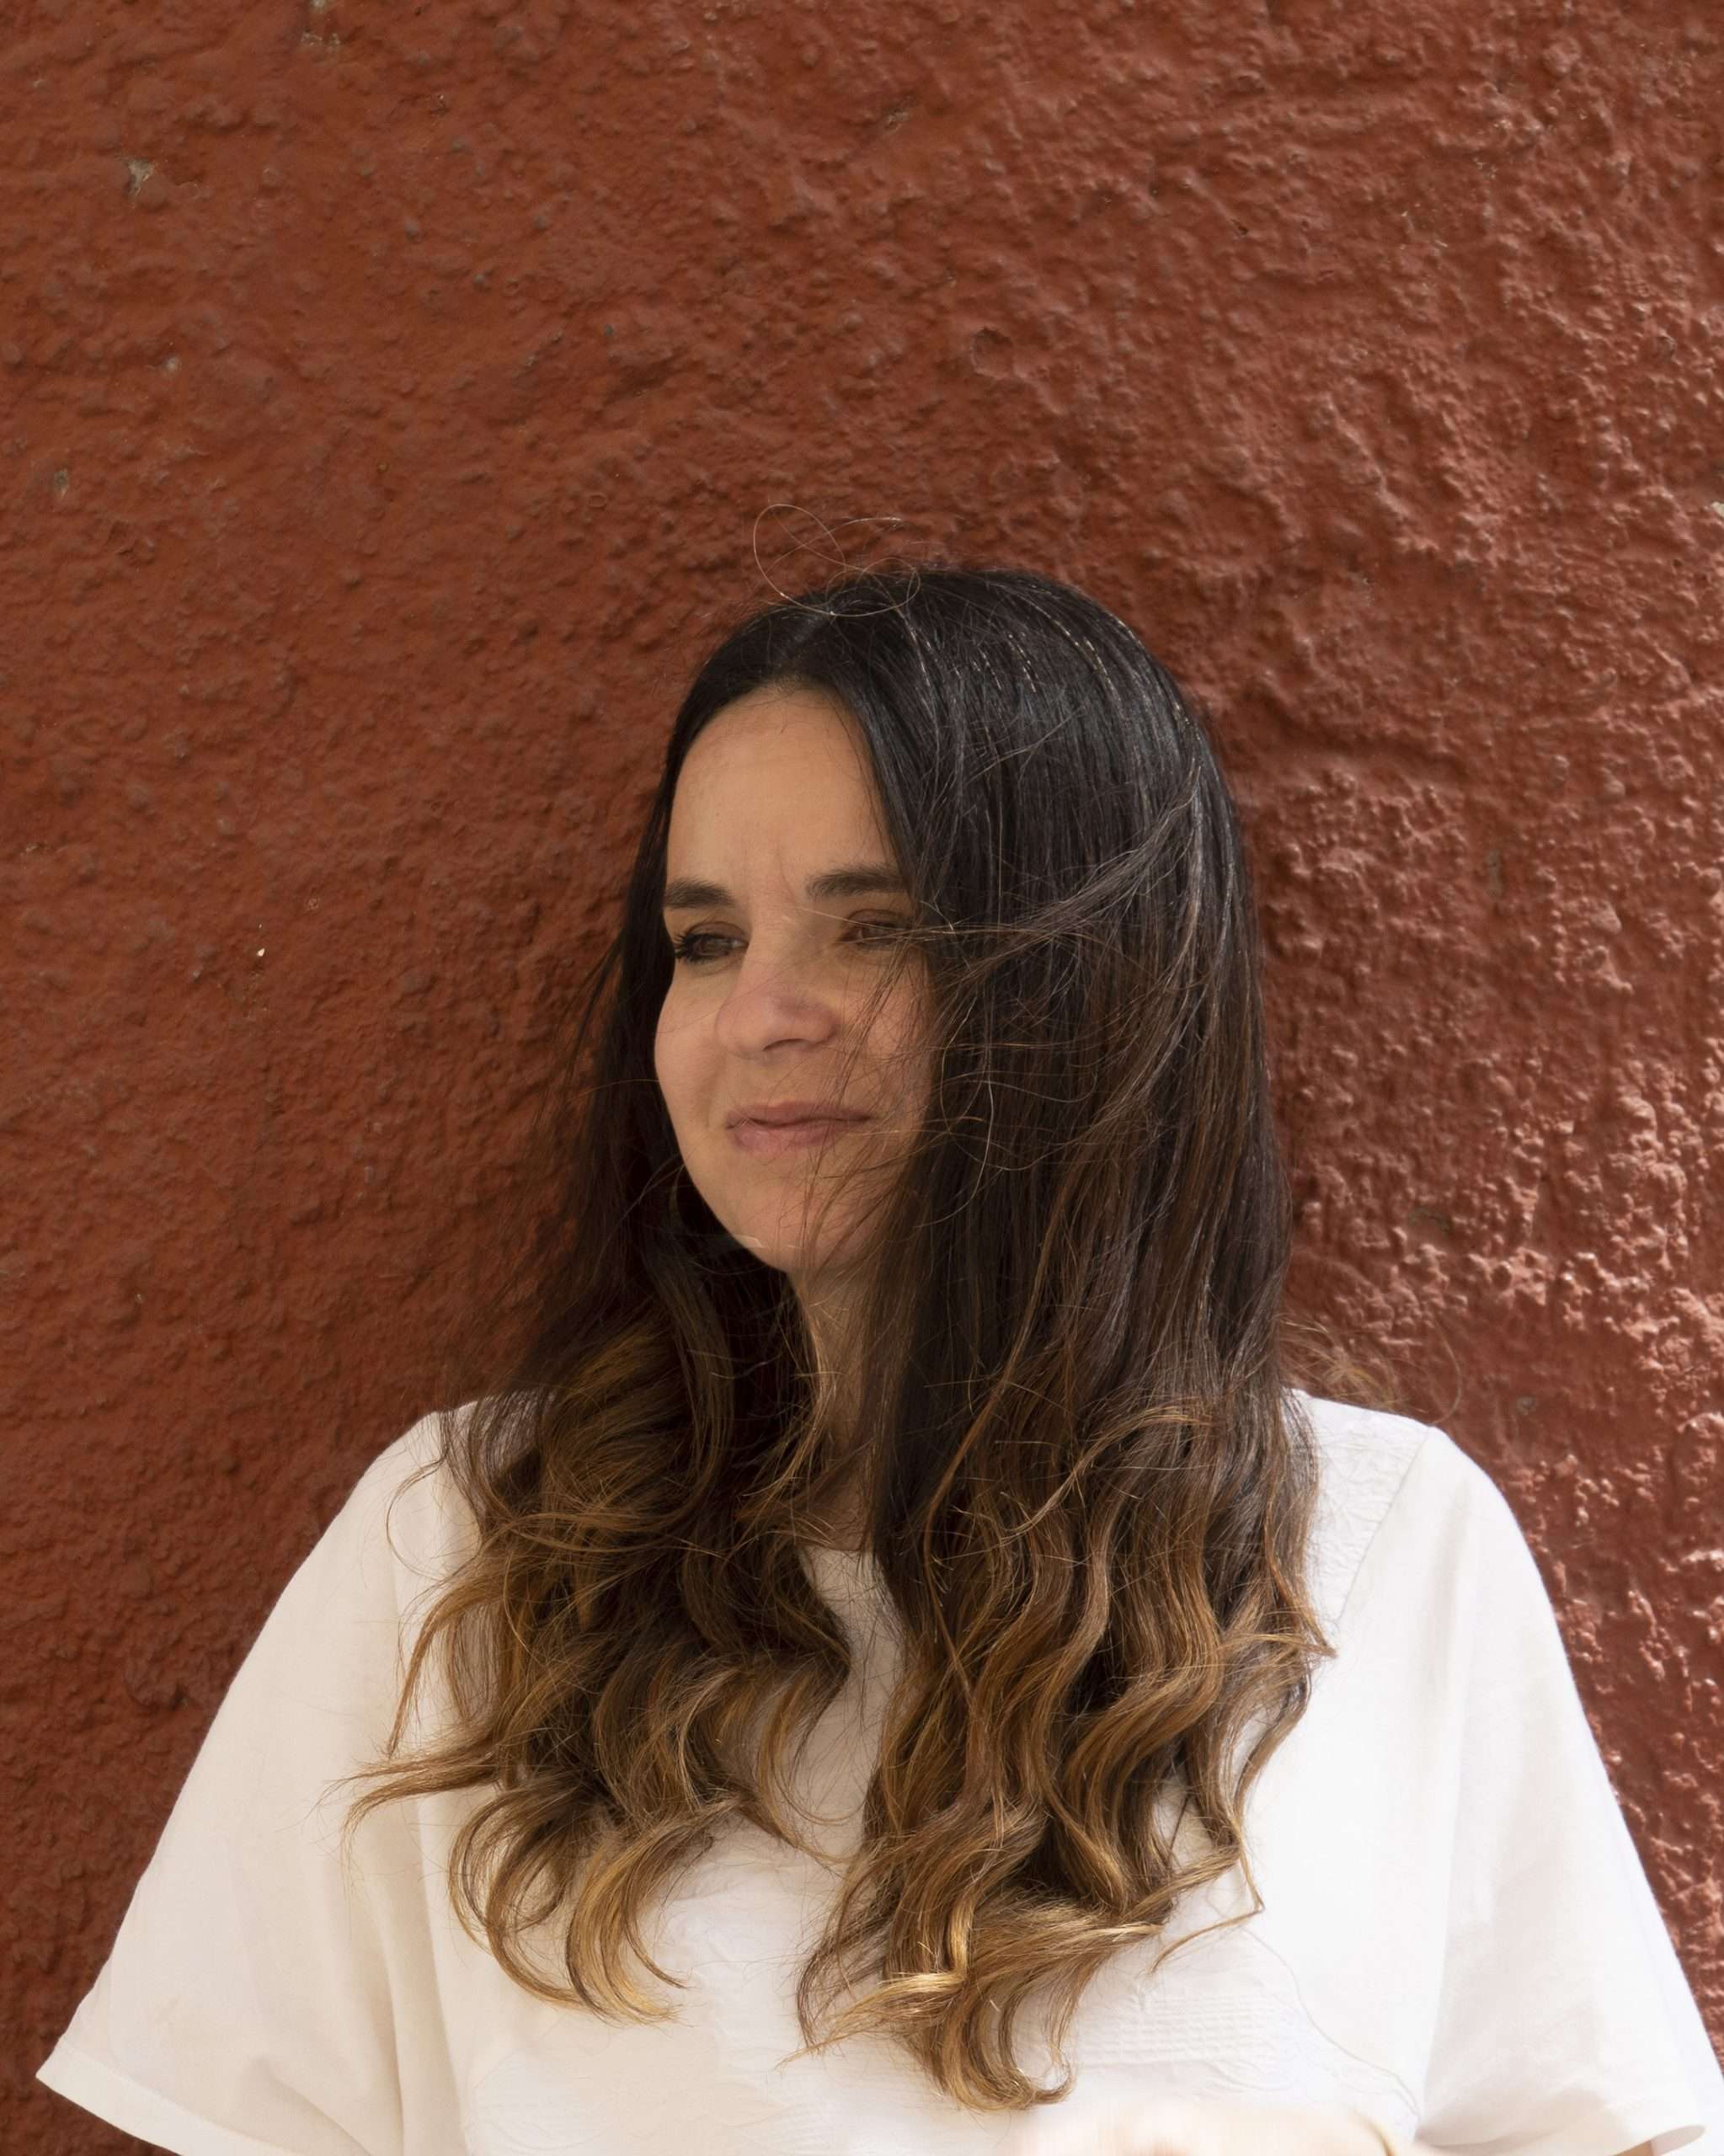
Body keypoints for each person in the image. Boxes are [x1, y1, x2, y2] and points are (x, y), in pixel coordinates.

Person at [35, 566, 1723, 2156]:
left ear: (1093, 986)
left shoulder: (1378, 1550)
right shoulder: (466, 1544)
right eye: (705, 940)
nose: (762, 1010)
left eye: (876, 928)